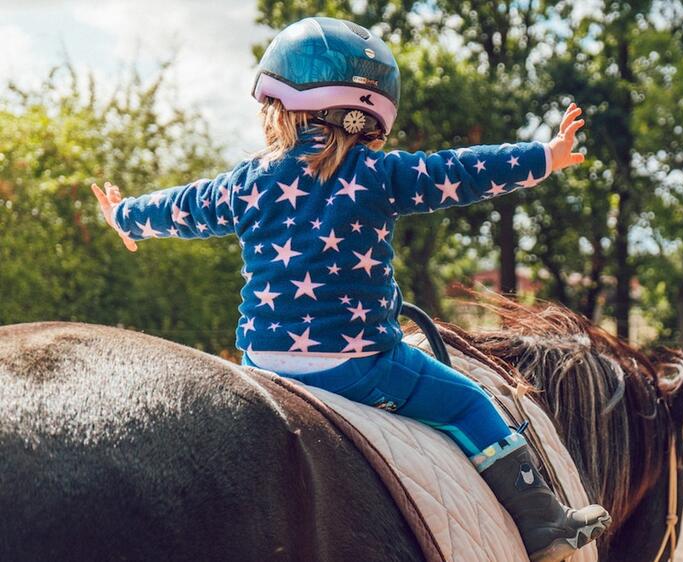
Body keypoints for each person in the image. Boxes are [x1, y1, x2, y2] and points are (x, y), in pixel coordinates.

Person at [92, 16, 609, 561]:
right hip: (358, 362)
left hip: (263, 362)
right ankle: (545, 524)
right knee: (467, 403)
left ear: (277, 107)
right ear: (370, 116)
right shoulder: (378, 174)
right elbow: (460, 170)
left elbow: (186, 206)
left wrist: (126, 216)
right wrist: (544, 158)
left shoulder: (248, 181)